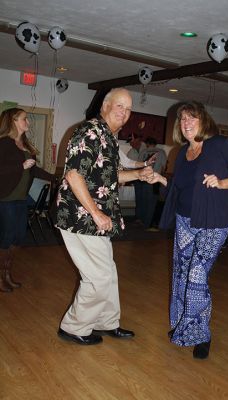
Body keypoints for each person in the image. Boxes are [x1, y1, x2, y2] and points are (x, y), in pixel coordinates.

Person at [56, 88, 166, 346]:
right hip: (81, 217)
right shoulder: (90, 131)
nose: (124, 113)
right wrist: (95, 212)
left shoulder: (109, 136)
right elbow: (74, 175)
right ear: (105, 106)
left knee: (109, 272)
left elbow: (112, 175)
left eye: (128, 109)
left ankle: (106, 322)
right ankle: (73, 326)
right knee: (99, 277)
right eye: (119, 106)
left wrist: (139, 174)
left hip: (94, 218)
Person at [159, 101, 228, 359]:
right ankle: (181, 325)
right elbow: (179, 187)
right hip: (184, 220)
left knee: (197, 277)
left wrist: (222, 183)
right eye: (183, 120)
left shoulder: (221, 145)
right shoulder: (182, 153)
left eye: (192, 118)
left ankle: (201, 335)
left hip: (214, 221)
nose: (186, 124)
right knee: (180, 275)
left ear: (204, 121)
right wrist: (160, 179)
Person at [0, 108, 55, 292]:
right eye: (24, 119)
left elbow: (33, 170)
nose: (28, 122)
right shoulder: (3, 144)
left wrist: (55, 177)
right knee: (5, 239)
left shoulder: (24, 144)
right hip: (6, 198)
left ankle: (7, 274)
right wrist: (20, 166)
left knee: (17, 238)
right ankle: (1, 277)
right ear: (13, 121)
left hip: (21, 199)